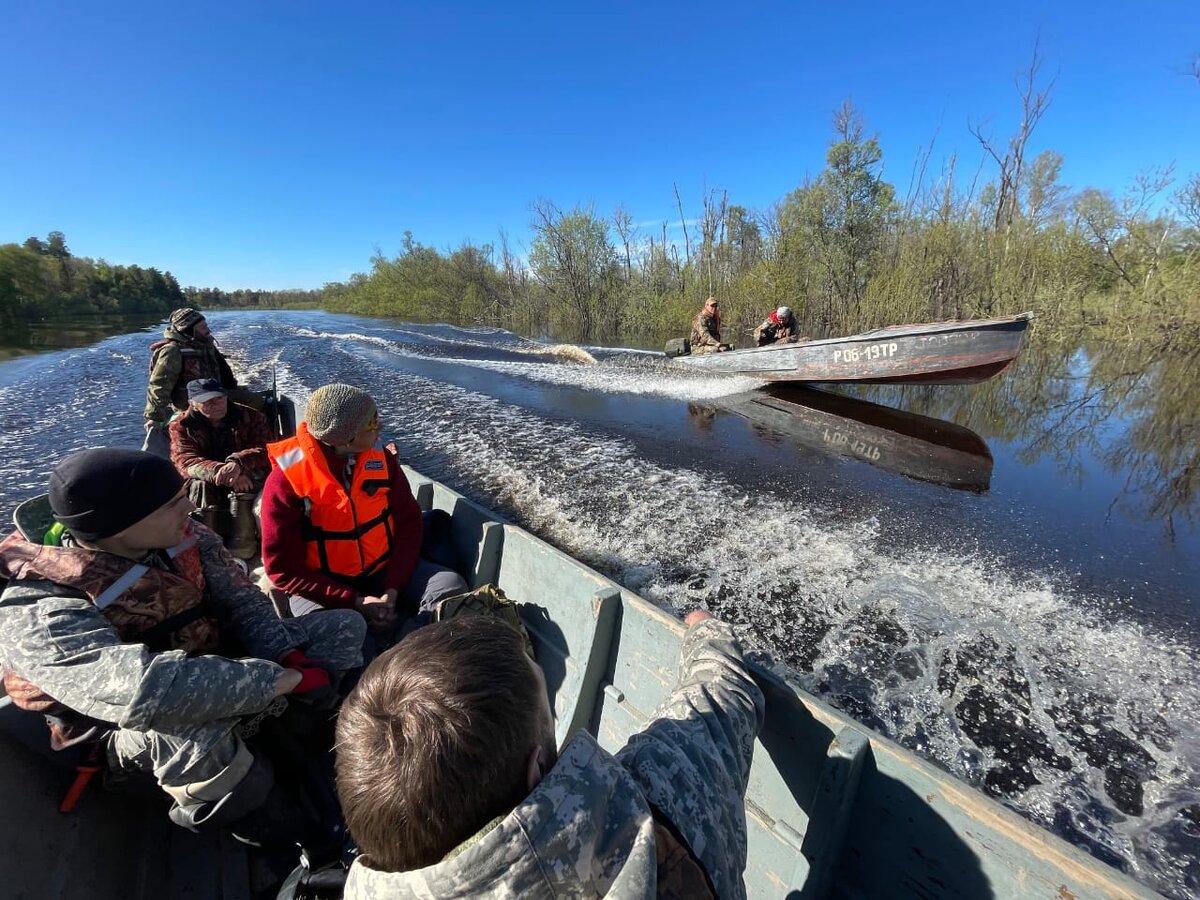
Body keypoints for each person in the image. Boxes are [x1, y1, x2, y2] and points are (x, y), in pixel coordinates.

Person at [0, 448, 366, 846]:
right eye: (175, 502)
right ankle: (293, 839)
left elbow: (240, 599)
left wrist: (286, 655)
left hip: (223, 667)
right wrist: (281, 680)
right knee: (186, 734)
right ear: (124, 524)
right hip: (125, 733)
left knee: (343, 627)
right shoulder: (39, 607)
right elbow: (147, 691)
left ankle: (301, 738)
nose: (190, 506)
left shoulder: (183, 535)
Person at [335, 609, 765, 899]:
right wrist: (705, 629)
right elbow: (720, 694)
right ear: (536, 771)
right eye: (549, 710)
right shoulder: (656, 796)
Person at [261, 383, 467, 632]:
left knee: (450, 587)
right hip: (322, 585)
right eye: (371, 423)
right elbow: (282, 569)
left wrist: (393, 589)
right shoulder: (285, 481)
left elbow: (409, 522)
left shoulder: (382, 459)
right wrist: (354, 602)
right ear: (347, 439)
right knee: (341, 628)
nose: (378, 427)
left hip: (384, 571)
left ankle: (406, 647)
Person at [169, 377, 274, 559]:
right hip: (211, 477)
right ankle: (208, 542)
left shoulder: (251, 416)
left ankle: (244, 540)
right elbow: (184, 460)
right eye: (206, 401)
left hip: (243, 473)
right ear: (192, 403)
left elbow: (266, 449)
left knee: (253, 479)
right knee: (197, 485)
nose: (215, 404)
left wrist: (238, 464)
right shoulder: (181, 426)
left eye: (219, 398)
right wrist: (220, 471)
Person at [143, 307, 241, 457]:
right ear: (188, 329)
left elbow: (224, 372)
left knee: (256, 403)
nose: (207, 329)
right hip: (189, 405)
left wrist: (236, 390)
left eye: (206, 325)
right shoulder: (172, 351)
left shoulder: (206, 345)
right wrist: (154, 418)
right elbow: (159, 386)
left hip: (218, 396)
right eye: (202, 327)